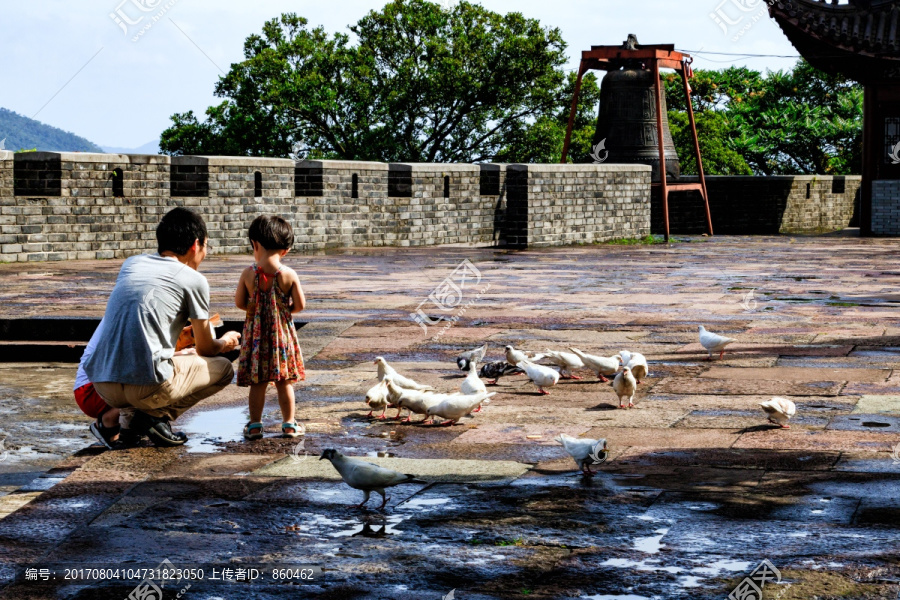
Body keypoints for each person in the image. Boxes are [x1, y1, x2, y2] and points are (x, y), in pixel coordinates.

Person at [83, 207, 241, 447]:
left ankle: (124, 425)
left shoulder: (131, 263)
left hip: (103, 385)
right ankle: (154, 417)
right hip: (147, 387)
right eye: (206, 245)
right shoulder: (194, 279)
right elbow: (206, 348)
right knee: (224, 369)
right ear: (195, 244)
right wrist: (226, 342)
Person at [234, 215, 306, 439]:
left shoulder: (248, 274)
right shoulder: (288, 275)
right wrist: (283, 312)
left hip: (256, 338)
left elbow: (239, 302)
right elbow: (300, 305)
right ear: (285, 250)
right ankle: (289, 424)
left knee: (259, 383)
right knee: (284, 382)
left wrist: (256, 311)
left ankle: (255, 426)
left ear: (255, 244)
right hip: (281, 337)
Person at [74, 319, 121, 449]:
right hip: (90, 391)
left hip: (98, 385)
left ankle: (120, 425)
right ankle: (109, 422)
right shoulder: (133, 312)